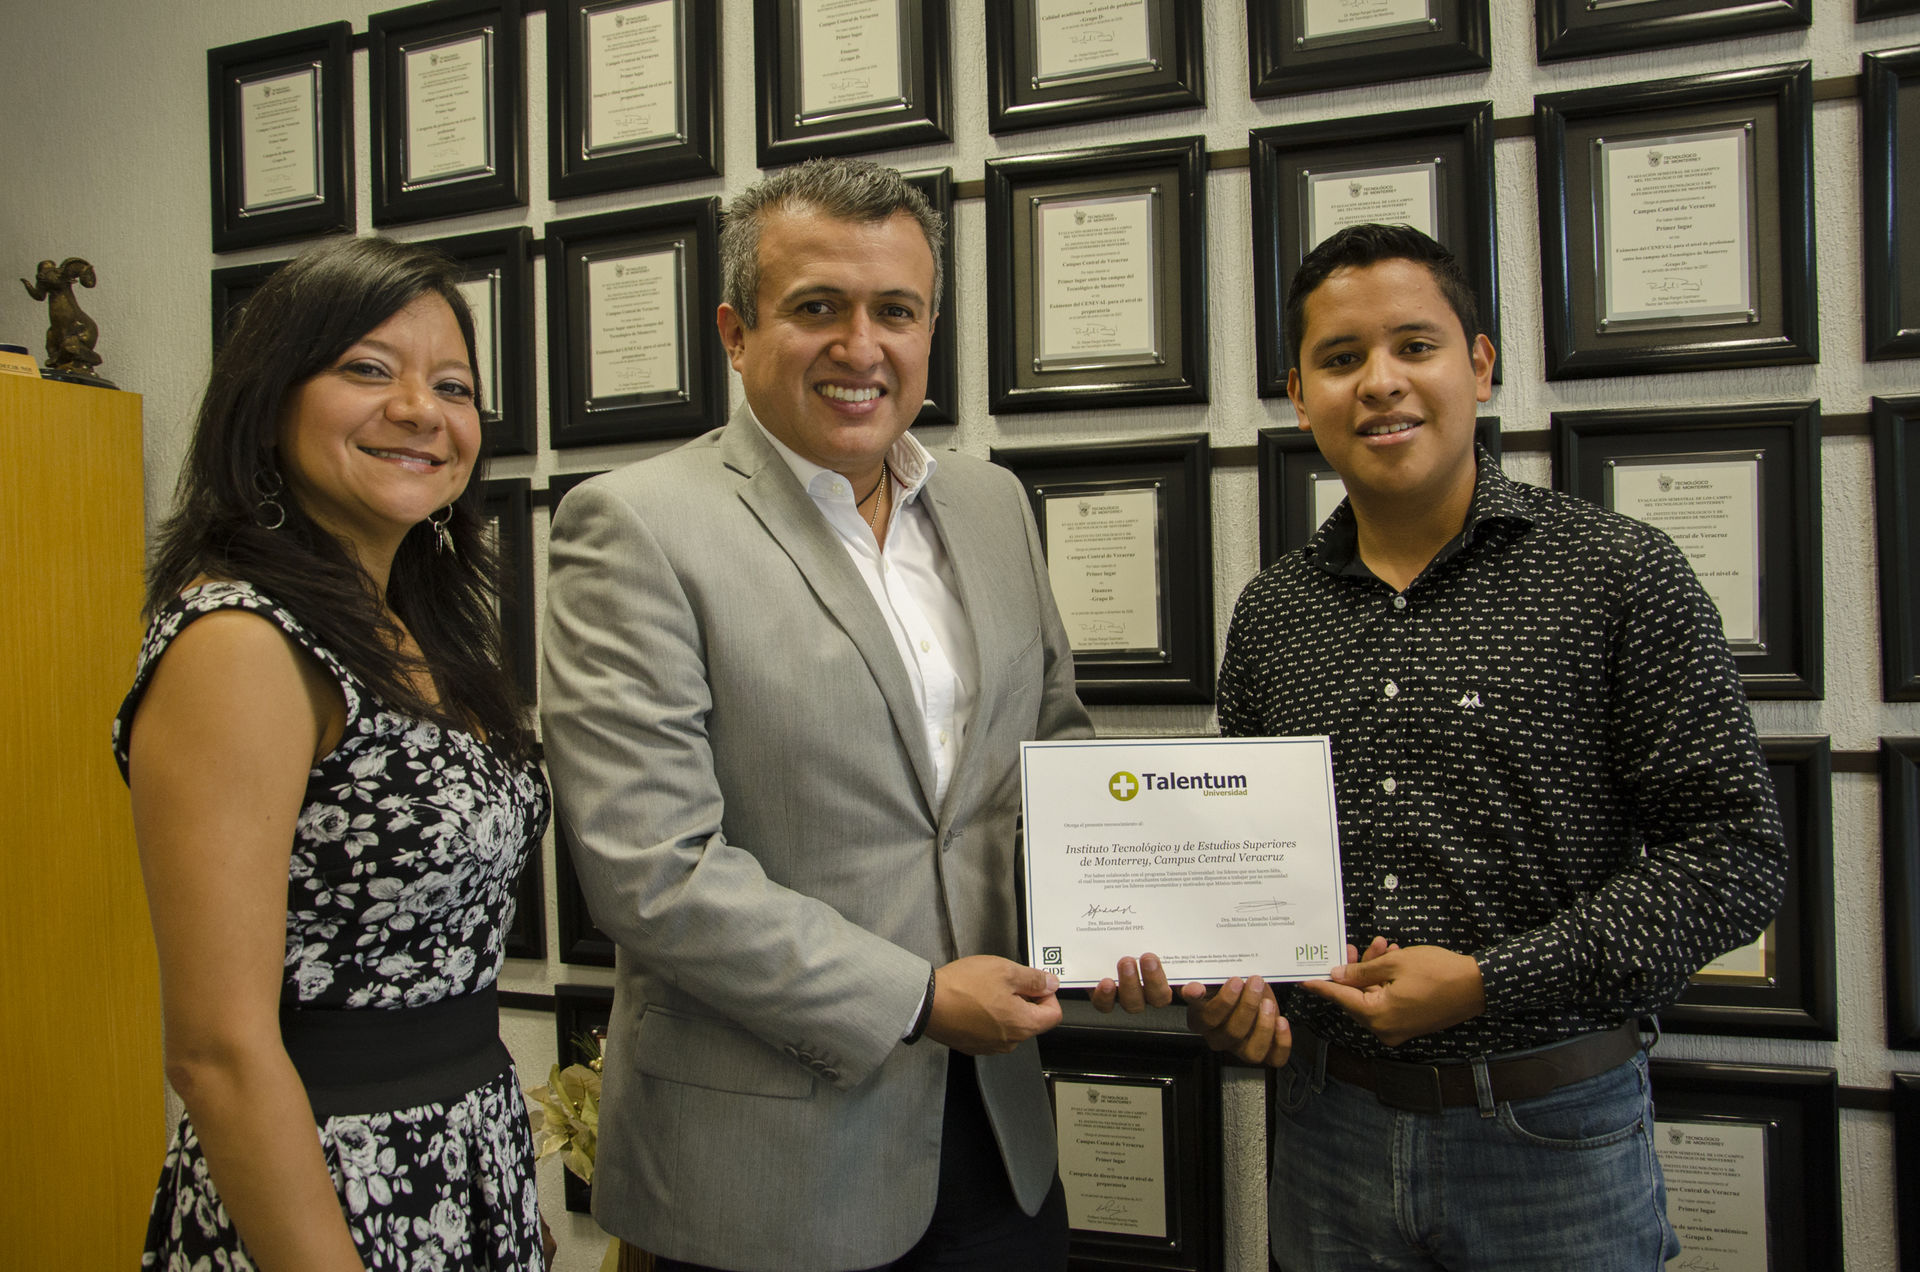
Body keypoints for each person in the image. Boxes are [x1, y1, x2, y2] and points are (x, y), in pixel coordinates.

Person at [1097, 223, 1786, 1270]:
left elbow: (1736, 858)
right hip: (1327, 1129)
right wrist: (1231, 994)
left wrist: (1488, 983)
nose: (1380, 383)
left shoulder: (1618, 575)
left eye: (1415, 346)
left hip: (1554, 1135)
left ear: (1480, 362)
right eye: (1341, 359)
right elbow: (1247, 880)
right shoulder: (1274, 614)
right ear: (1298, 391)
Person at [542, 157, 1091, 1272]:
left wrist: (1130, 925)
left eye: (896, 310)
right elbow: (656, 871)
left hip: (995, 1141)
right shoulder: (634, 527)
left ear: (931, 328)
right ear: (736, 332)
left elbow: (1052, 758)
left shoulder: (991, 506)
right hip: (761, 1166)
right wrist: (920, 999)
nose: (861, 347)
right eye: (816, 309)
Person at [116, 236, 552, 1271]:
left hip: (464, 1155)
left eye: (452, 385)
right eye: (367, 369)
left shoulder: (411, 626)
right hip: (328, 1189)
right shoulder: (240, 642)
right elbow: (217, 1052)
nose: (420, 409)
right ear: (267, 400)